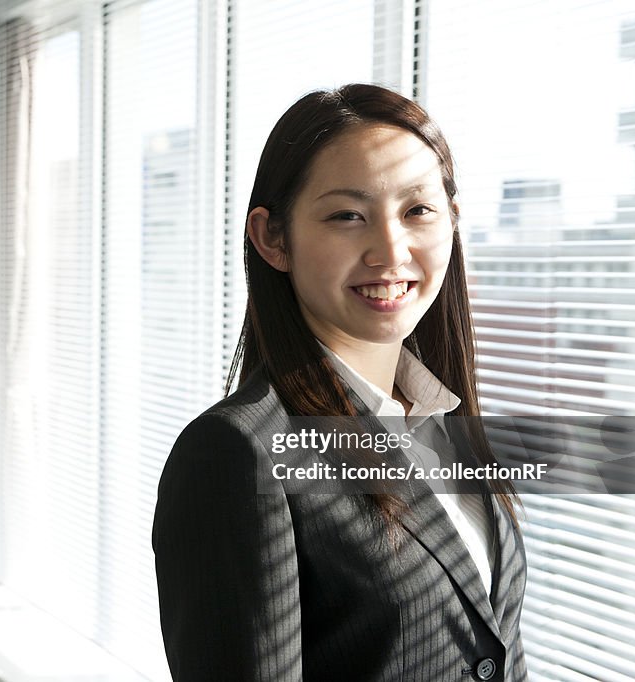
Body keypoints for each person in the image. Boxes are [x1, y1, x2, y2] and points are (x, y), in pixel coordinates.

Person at [151, 84, 527, 681]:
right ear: (273, 239)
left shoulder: (443, 422)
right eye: (347, 215)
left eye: (417, 210)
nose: (390, 250)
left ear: (452, 222)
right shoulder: (236, 452)